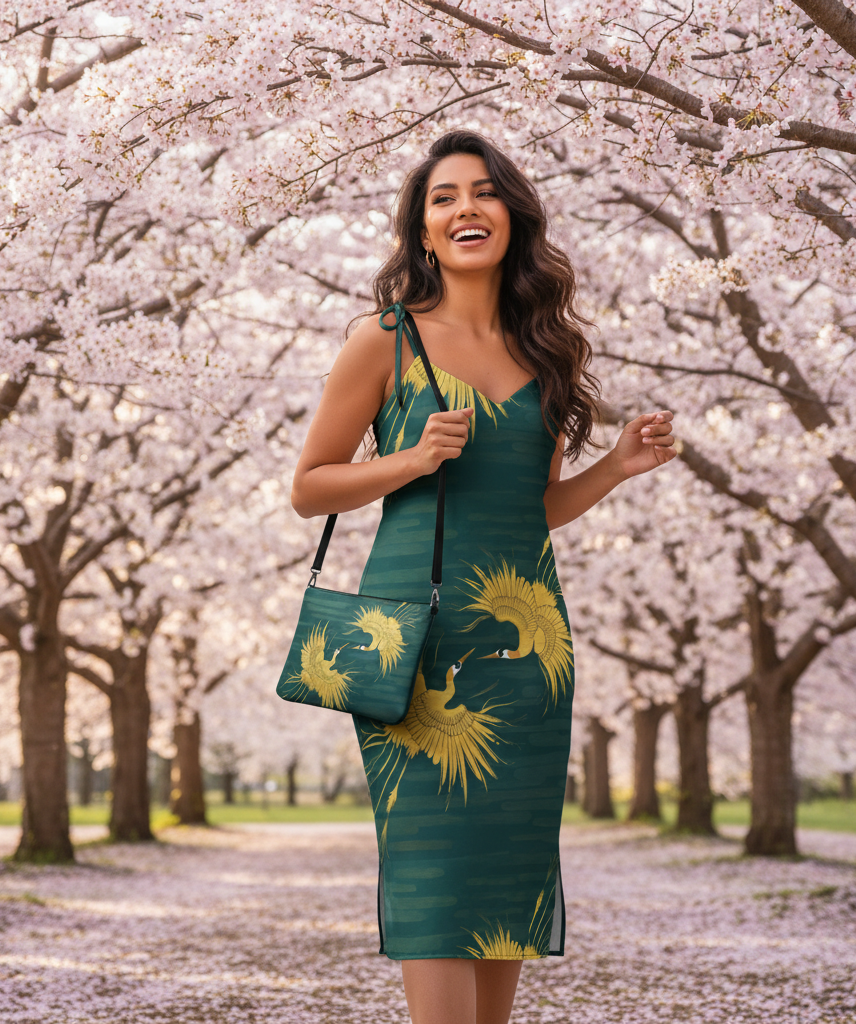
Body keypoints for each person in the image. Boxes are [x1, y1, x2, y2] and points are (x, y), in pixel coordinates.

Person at [290, 129, 676, 1024]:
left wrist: (615, 468)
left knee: (504, 885)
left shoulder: (547, 351)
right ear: (423, 232)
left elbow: (530, 510)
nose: (466, 208)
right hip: (415, 648)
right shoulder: (384, 342)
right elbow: (309, 488)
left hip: (529, 650)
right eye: (444, 198)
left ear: (513, 215)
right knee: (433, 878)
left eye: (484, 192)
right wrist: (409, 459)